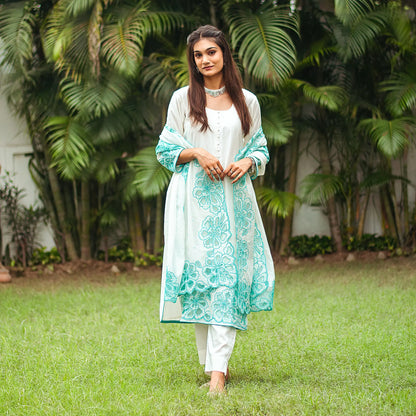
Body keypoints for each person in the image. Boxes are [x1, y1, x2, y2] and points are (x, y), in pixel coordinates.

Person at [155, 25, 275, 395]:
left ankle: (218, 374)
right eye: (198, 55)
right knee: (203, 280)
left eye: (211, 52)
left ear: (224, 54)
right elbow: (165, 149)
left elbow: (260, 149)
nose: (205, 60)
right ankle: (211, 363)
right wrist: (198, 153)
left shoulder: (247, 101)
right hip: (192, 202)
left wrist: (247, 163)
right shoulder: (182, 99)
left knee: (227, 279)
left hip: (235, 201)